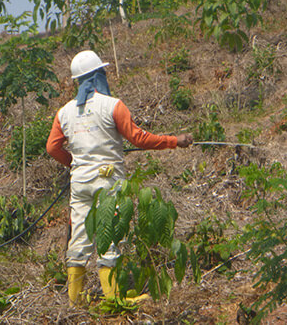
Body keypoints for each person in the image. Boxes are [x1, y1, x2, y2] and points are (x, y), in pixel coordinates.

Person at [46, 50, 193, 307]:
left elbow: (52, 148)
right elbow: (139, 138)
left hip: (79, 184)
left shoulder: (64, 112)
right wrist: (174, 141)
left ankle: (75, 301)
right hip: (108, 181)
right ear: (98, 75)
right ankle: (114, 299)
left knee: (79, 236)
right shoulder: (113, 105)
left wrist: (75, 164)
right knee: (111, 233)